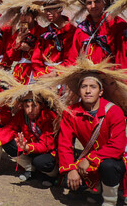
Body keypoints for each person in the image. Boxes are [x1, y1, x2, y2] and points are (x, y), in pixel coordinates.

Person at [47, 59, 127, 205]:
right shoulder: (70, 112)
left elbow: (117, 146)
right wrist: (70, 169)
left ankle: (109, 201)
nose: (88, 91)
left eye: (93, 87)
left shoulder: (114, 111)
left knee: (109, 166)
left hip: (113, 160)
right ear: (79, 91)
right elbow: (64, 144)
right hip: (89, 162)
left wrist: (89, 159)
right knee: (74, 193)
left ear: (101, 91)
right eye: (84, 86)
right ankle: (96, 188)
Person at [0, 84, 61, 185]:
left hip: (48, 152)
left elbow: (46, 145)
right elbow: (10, 128)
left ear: (41, 105)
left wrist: (28, 147)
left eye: (34, 106)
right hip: (30, 147)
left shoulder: (49, 117)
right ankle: (30, 169)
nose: (30, 110)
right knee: (7, 142)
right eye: (27, 106)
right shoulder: (22, 115)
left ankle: (53, 174)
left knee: (41, 162)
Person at [64, 0, 123, 66]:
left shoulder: (117, 25)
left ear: (104, 2)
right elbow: (73, 57)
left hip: (109, 75)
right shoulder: (81, 29)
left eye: (97, 1)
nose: (93, 6)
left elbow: (123, 59)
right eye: (89, 3)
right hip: (85, 73)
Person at [31, 0, 76, 79]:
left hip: (64, 75)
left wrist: (56, 74)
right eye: (46, 10)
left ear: (60, 9)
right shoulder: (44, 32)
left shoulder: (72, 31)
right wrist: (42, 75)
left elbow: (72, 58)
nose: (48, 12)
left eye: (51, 9)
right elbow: (36, 58)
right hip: (44, 75)